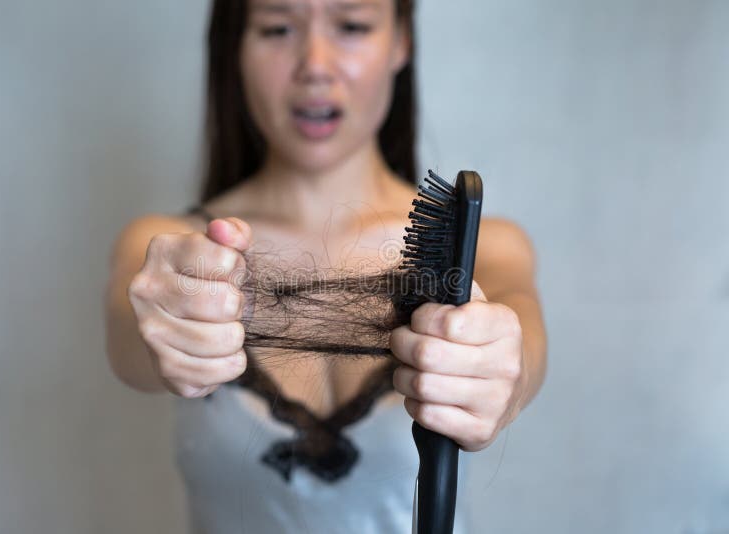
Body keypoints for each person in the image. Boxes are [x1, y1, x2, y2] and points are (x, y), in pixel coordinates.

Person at [104, 0, 548, 532]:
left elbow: (521, 343)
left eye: (352, 25)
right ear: (235, 48)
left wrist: (503, 374)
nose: (314, 63)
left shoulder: (488, 251)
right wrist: (168, 330)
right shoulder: (167, 251)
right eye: (277, 28)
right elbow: (131, 341)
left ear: (400, 41)